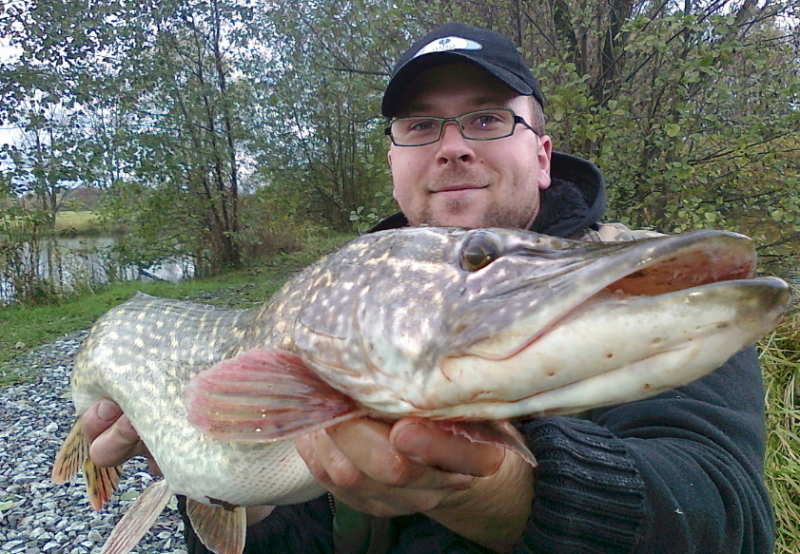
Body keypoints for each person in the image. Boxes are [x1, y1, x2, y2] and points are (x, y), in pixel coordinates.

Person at [82, 22, 775, 553]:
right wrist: (239, 499)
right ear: (395, 167)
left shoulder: (649, 288)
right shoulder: (340, 303)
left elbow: (731, 521)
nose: (452, 145)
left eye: (486, 118)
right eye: (420, 126)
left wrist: (507, 494)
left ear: (541, 155)